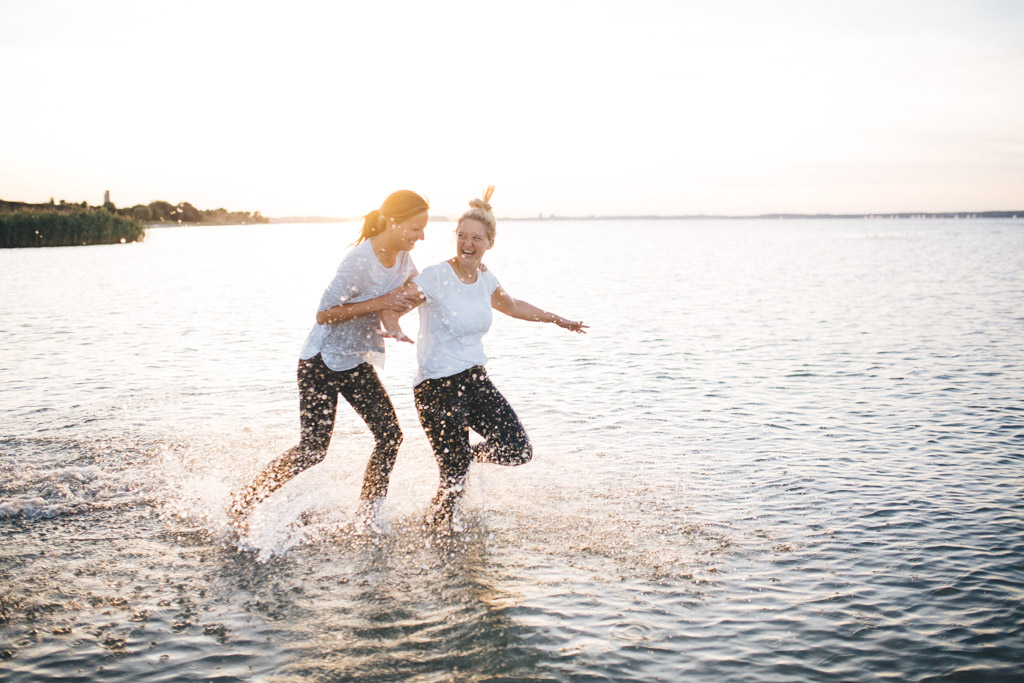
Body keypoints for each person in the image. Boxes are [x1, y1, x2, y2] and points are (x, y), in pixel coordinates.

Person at [380, 187, 587, 528]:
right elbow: (398, 302)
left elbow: (514, 306)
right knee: (453, 480)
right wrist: (392, 324)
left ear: (489, 242)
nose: (467, 244)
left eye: (476, 238)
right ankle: (437, 537)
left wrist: (556, 319)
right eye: (462, 236)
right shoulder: (435, 276)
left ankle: (464, 461)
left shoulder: (485, 279)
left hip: (476, 381)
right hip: (436, 388)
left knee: (517, 449)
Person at [230, 190, 430, 530]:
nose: (421, 236)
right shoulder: (358, 261)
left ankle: (368, 516)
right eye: (415, 228)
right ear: (393, 223)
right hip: (319, 362)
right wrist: (382, 300)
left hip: (354, 363)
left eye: (423, 229)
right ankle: (243, 501)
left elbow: (406, 294)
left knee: (390, 436)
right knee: (313, 449)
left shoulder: (403, 259)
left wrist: (394, 321)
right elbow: (325, 314)